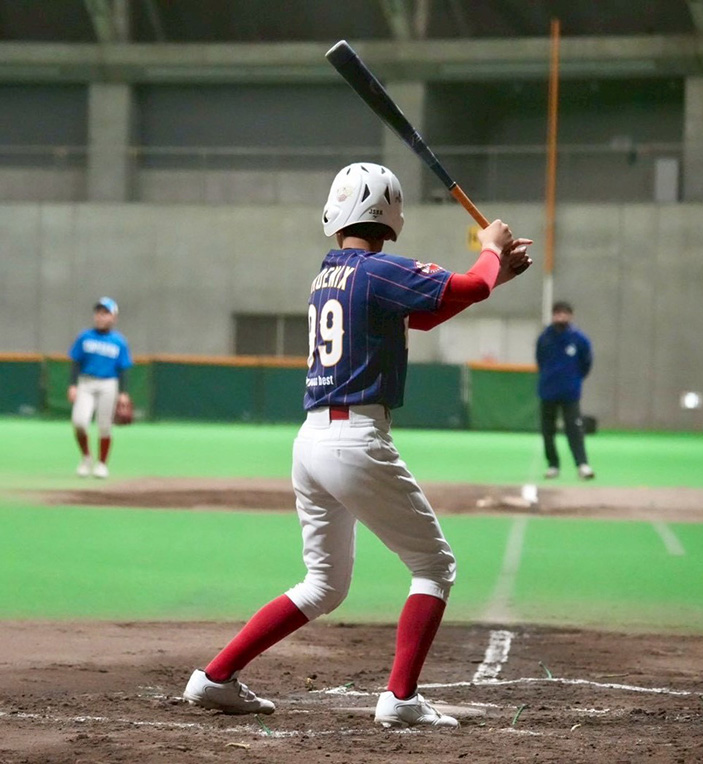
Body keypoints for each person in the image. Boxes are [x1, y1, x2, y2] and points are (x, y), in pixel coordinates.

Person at [182, 162, 532, 728]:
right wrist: (489, 248)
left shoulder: (332, 273)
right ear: (390, 216)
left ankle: (214, 677)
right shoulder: (376, 270)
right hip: (355, 440)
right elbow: (467, 285)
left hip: (312, 441)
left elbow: (420, 319)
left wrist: (496, 275)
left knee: (322, 585)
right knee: (434, 567)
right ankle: (400, 699)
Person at [67, 297, 133, 479]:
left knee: (105, 426)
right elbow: (76, 362)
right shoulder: (84, 337)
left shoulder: (119, 341)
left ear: (114, 317)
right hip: (86, 383)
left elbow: (123, 368)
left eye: (106, 313)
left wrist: (124, 393)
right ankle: (86, 458)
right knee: (79, 422)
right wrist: (72, 385)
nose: (101, 316)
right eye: (99, 312)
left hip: (108, 384)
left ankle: (102, 464)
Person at [535, 300, 594, 480]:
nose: (561, 317)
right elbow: (540, 360)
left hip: (570, 392)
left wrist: (574, 379)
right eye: (557, 313)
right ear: (553, 316)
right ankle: (553, 465)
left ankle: (582, 465)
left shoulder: (579, 339)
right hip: (548, 391)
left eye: (564, 313)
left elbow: (587, 363)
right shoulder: (544, 338)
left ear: (570, 316)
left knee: (574, 430)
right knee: (548, 431)